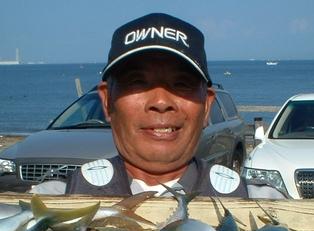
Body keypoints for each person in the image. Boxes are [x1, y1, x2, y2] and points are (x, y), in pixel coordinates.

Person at [32, 13, 283, 198]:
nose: (161, 102)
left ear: (207, 105)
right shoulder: (50, 200)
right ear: (107, 101)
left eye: (181, 83)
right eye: (137, 82)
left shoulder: (261, 204)